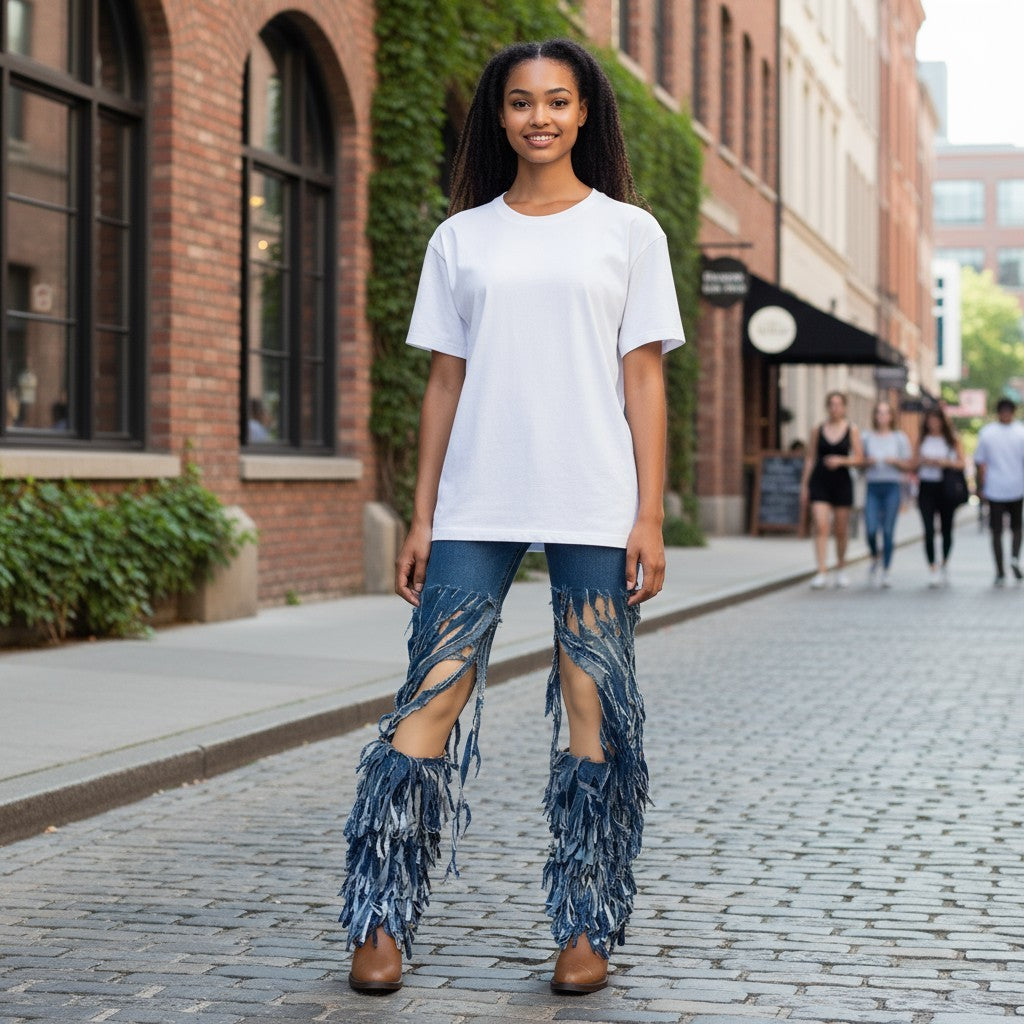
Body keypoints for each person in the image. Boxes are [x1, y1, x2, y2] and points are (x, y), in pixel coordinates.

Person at [337, 39, 685, 997]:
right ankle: (377, 917)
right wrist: (420, 513)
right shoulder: (461, 238)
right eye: (523, 102)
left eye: (558, 101)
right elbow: (444, 382)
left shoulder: (629, 232)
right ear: (500, 116)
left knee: (591, 699)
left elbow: (644, 379)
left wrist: (649, 514)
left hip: (594, 495)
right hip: (478, 496)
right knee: (433, 691)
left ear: (584, 114)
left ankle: (584, 923)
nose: (541, 117)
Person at [801, 391, 863, 589]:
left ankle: (841, 567)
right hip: (820, 481)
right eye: (832, 404)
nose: (835, 408)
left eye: (838, 404)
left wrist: (841, 461)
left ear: (844, 407)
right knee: (821, 525)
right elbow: (810, 458)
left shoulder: (852, 429)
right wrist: (805, 485)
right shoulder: (817, 429)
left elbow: (859, 459)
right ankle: (821, 570)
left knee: (841, 529)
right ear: (827, 407)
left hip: (842, 482)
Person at [973, 397, 1024, 585]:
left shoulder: (988, 432)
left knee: (997, 531)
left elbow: (980, 463)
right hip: (1014, 487)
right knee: (1016, 528)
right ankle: (1013, 559)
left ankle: (1001, 571)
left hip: (996, 488)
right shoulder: (1021, 432)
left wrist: (980, 487)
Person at [914, 406, 966, 587]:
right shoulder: (922, 439)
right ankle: (932, 567)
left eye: (936, 419)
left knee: (946, 529)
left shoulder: (952, 440)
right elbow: (913, 463)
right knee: (928, 529)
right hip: (926, 487)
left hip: (946, 487)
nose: (933, 423)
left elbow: (962, 463)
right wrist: (922, 461)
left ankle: (944, 562)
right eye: (930, 419)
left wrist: (945, 462)